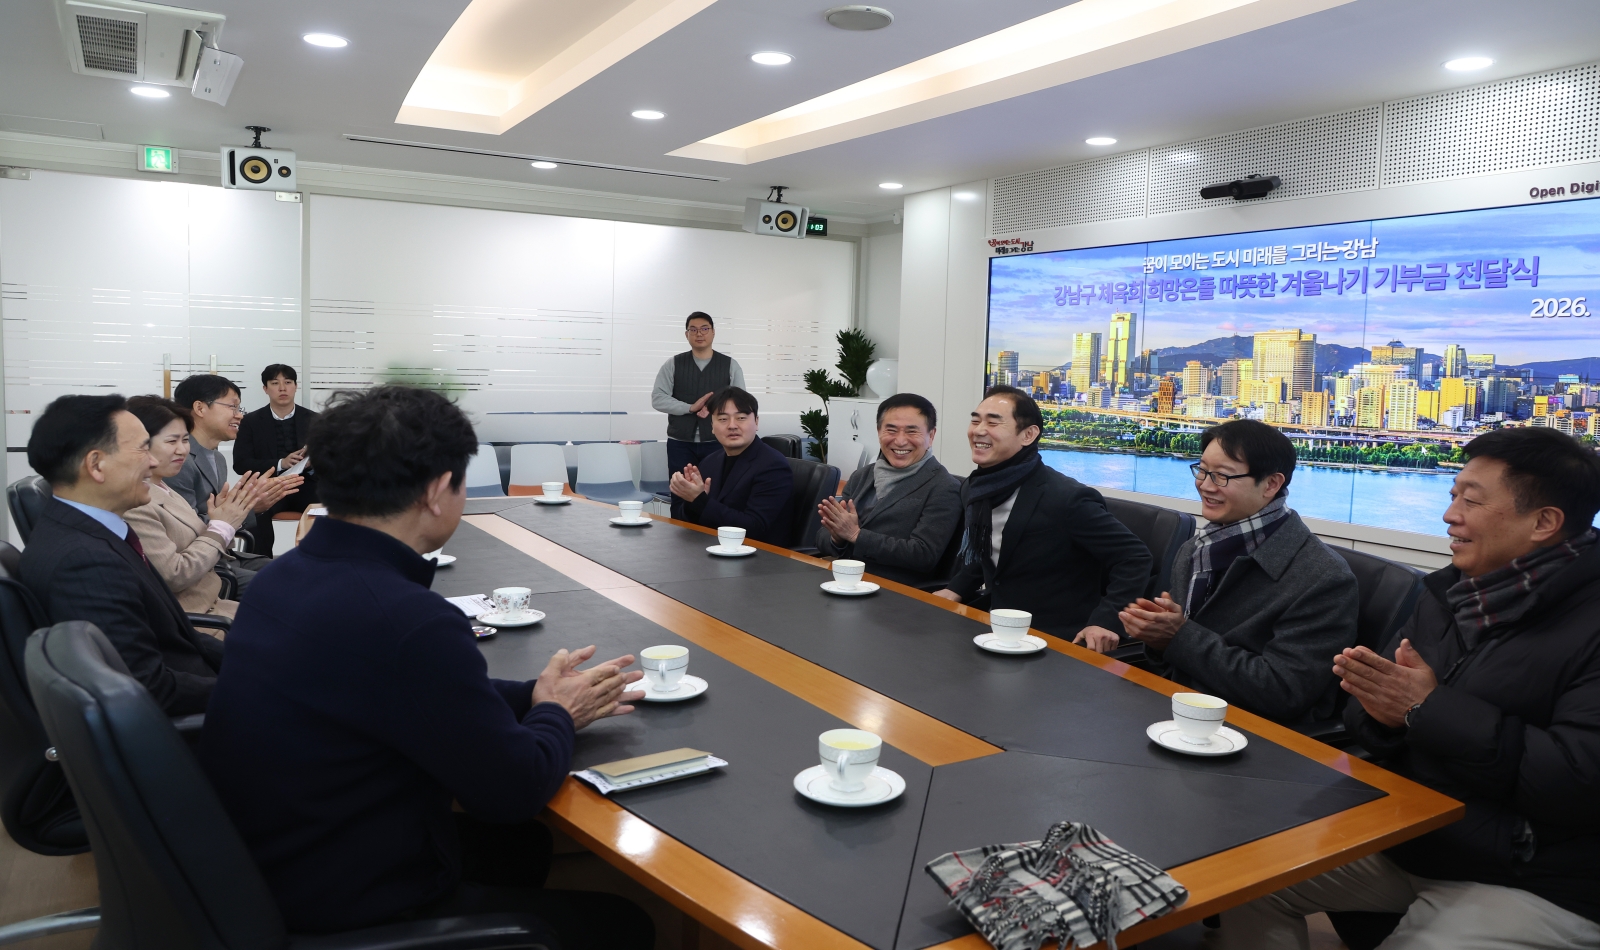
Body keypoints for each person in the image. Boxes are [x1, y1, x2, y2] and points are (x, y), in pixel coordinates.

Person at [200, 385, 654, 948]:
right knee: (624, 924)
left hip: (268, 865)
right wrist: (557, 714)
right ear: (439, 491)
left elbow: (407, 691)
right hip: (346, 900)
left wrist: (535, 693)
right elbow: (514, 791)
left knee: (520, 848)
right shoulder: (408, 620)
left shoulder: (282, 577)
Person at [1218, 427, 1600, 950]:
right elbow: (1369, 710)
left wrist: (1426, 709)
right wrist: (1388, 714)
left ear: (1544, 522)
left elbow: (1578, 781)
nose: (1449, 515)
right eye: (1453, 495)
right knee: (1241, 873)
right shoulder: (1452, 592)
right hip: (1418, 832)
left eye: (1471, 501)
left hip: (1535, 874)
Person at [1118, 419, 1358, 724]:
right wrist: (1155, 636)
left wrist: (1178, 637)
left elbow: (1285, 691)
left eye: (1221, 476)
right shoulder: (1196, 550)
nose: (1205, 485)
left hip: (1252, 734)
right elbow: (1172, 656)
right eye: (1202, 470)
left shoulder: (1323, 577)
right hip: (1176, 711)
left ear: (1271, 484)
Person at [18, 394, 225, 715]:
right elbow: (148, 689)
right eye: (142, 449)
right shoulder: (84, 563)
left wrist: (250, 661)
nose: (153, 462)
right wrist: (252, 688)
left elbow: (176, 638)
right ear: (96, 465)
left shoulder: (97, 532)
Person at [933, 386, 1150, 645]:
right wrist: (955, 589)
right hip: (998, 627)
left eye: (993, 422)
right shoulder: (976, 487)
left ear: (1028, 434)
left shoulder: (1067, 498)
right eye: (975, 420)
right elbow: (987, 548)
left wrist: (1106, 620)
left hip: (1057, 637)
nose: (978, 430)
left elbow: (1135, 557)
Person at [123, 396, 266, 621]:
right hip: (196, 617)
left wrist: (224, 518)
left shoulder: (164, 488)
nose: (182, 450)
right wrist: (221, 525)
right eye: (172, 441)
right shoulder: (135, 504)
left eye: (185, 440)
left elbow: (202, 539)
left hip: (214, 601)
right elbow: (174, 575)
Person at [815, 393, 962, 586]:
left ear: (931, 435)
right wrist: (837, 538)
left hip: (895, 591)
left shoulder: (944, 487)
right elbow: (822, 536)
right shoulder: (862, 475)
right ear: (879, 432)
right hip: (844, 579)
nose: (900, 441)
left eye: (912, 432)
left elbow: (923, 555)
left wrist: (856, 536)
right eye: (891, 430)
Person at [167, 374, 302, 555]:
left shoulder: (218, 459)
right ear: (200, 408)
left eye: (239, 408)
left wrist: (244, 503)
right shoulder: (178, 460)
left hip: (221, 555)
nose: (239, 415)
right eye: (232, 407)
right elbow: (186, 528)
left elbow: (216, 514)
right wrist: (247, 508)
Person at [669, 387, 793, 545]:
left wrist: (699, 500)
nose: (732, 425)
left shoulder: (773, 466)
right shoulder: (710, 462)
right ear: (712, 426)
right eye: (723, 419)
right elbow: (689, 524)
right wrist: (691, 499)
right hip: (712, 548)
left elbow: (754, 528)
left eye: (741, 418)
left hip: (760, 555)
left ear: (756, 422)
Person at [232, 364, 320, 553]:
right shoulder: (250, 422)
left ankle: (319, 561)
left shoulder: (315, 420)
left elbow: (333, 461)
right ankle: (258, 563)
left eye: (288, 382)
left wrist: (313, 463)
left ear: (295, 386)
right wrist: (281, 463)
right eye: (275, 383)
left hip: (307, 484)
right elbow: (240, 464)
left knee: (328, 509)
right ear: (265, 388)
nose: (282, 388)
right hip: (269, 486)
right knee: (256, 510)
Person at [652, 311, 747, 478]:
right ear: (686, 334)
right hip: (680, 443)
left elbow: (741, 401)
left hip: (718, 442)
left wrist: (715, 407)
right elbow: (658, 398)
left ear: (713, 332)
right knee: (681, 488)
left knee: (717, 489)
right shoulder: (673, 364)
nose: (699, 334)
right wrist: (690, 407)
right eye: (693, 329)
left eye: (704, 328)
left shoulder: (730, 365)